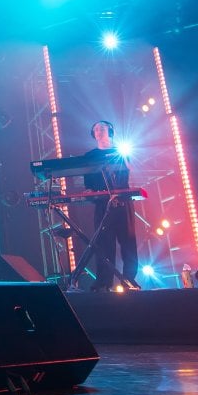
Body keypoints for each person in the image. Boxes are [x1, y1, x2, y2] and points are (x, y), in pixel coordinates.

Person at [75, 120, 139, 290]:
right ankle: (104, 282)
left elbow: (130, 169)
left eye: (102, 128)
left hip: (123, 201)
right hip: (102, 203)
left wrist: (119, 191)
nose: (98, 131)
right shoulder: (90, 155)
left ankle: (129, 280)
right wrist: (90, 190)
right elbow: (87, 178)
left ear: (110, 131)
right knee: (104, 243)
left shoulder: (121, 150)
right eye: (95, 129)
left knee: (128, 241)